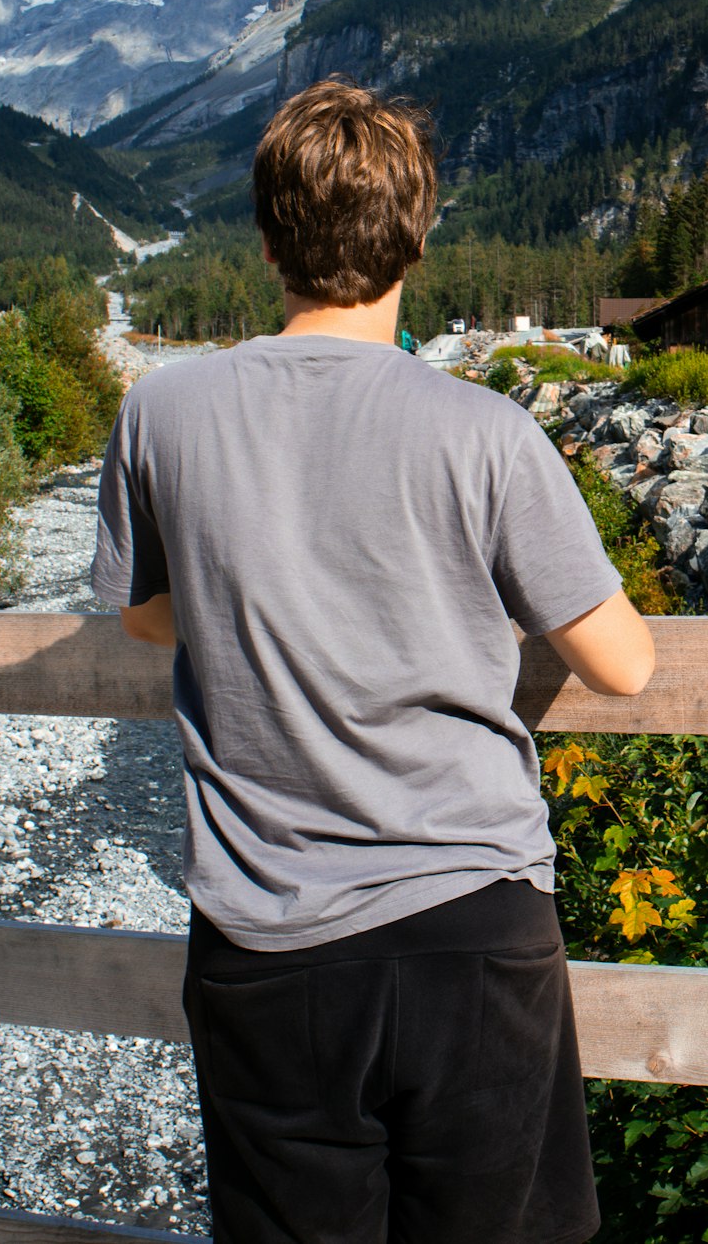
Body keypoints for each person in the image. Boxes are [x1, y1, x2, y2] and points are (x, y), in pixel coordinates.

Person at [91, 78, 655, 1244]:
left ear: (262, 239)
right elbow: (624, 667)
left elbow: (147, 620)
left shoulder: (164, 411)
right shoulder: (485, 429)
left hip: (266, 935)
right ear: (419, 231)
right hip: (471, 924)